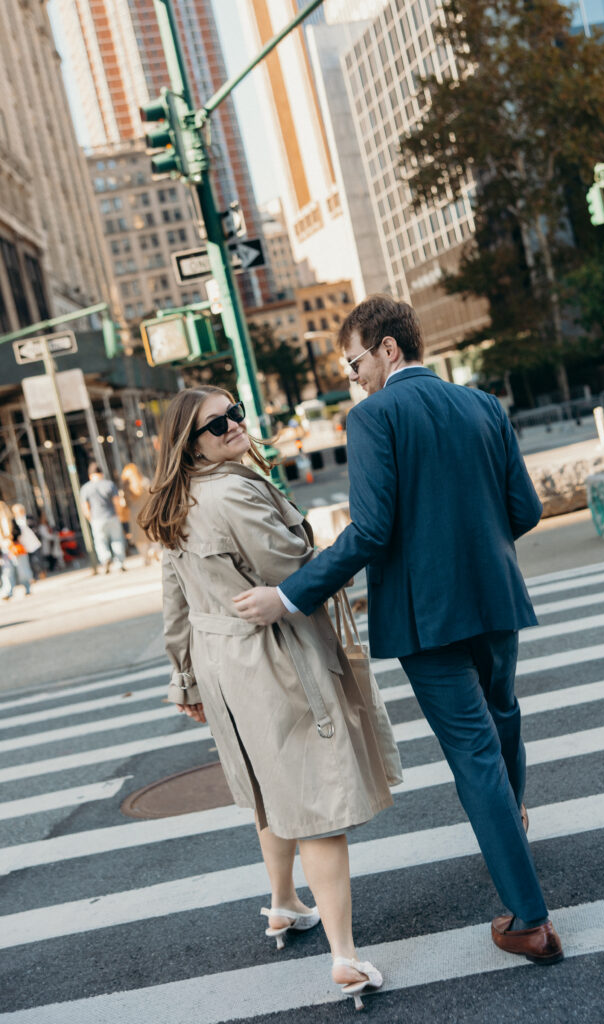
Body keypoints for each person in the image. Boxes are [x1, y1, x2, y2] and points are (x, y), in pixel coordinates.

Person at [234, 295, 564, 966]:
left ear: (388, 349)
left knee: (473, 754)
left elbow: (371, 531)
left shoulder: (373, 416)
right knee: (501, 716)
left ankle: (529, 921)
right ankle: (513, 822)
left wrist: (289, 595)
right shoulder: (483, 405)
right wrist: (477, 545)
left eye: (354, 362)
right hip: (495, 595)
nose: (353, 376)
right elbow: (525, 510)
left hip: (425, 613)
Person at [138, 385, 401, 1009]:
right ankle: (344, 956)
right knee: (315, 803)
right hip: (273, 658)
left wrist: (185, 679)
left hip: (222, 665)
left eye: (234, 413)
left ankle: (283, 902)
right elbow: (293, 567)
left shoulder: (175, 500)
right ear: (189, 443)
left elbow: (175, 600)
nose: (233, 424)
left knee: (269, 787)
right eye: (216, 424)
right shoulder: (233, 492)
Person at [80, 462, 127, 573]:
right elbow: (117, 502)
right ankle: (119, 563)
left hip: (96, 519)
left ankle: (105, 558)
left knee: (100, 541)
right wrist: (119, 514)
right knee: (117, 540)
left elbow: (85, 507)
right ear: (101, 473)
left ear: (90, 475)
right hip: (112, 516)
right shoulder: (109, 484)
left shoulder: (85, 488)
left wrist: (90, 519)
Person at [119, 463, 160, 565]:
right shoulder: (145, 482)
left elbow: (126, 503)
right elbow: (153, 495)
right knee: (152, 534)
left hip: (135, 515)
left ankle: (145, 557)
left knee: (140, 539)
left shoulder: (126, 488)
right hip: (148, 511)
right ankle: (153, 550)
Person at [0, 501, 32, 599]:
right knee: (7, 571)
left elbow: (18, 532)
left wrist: (11, 537)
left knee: (21, 569)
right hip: (4, 549)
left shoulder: (11, 520)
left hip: (14, 547)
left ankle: (27, 587)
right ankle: (8, 591)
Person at [11, 503, 44, 580]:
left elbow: (35, 526)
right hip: (23, 543)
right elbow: (15, 532)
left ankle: (41, 572)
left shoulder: (29, 517)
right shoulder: (14, 521)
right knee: (30, 561)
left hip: (33, 541)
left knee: (38, 559)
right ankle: (34, 576)